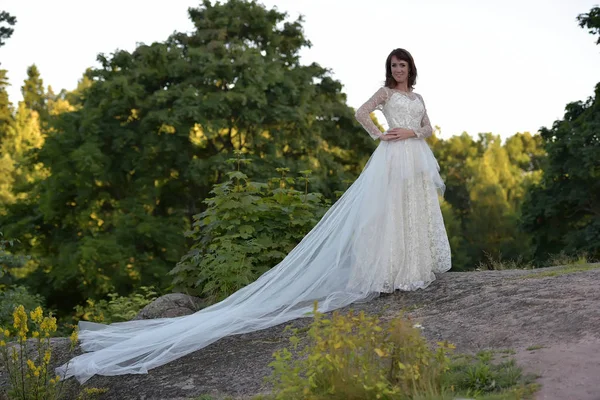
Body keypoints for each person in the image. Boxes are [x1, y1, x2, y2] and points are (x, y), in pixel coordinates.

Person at [57, 48, 451, 383]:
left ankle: (413, 266)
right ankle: (392, 269)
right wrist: (381, 134)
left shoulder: (417, 98)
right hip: (390, 158)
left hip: (414, 156)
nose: (399, 70)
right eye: (394, 65)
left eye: (403, 66)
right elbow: (360, 112)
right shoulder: (383, 93)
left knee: (413, 209)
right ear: (390, 69)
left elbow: (430, 127)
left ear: (410, 69)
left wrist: (411, 133)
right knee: (389, 213)